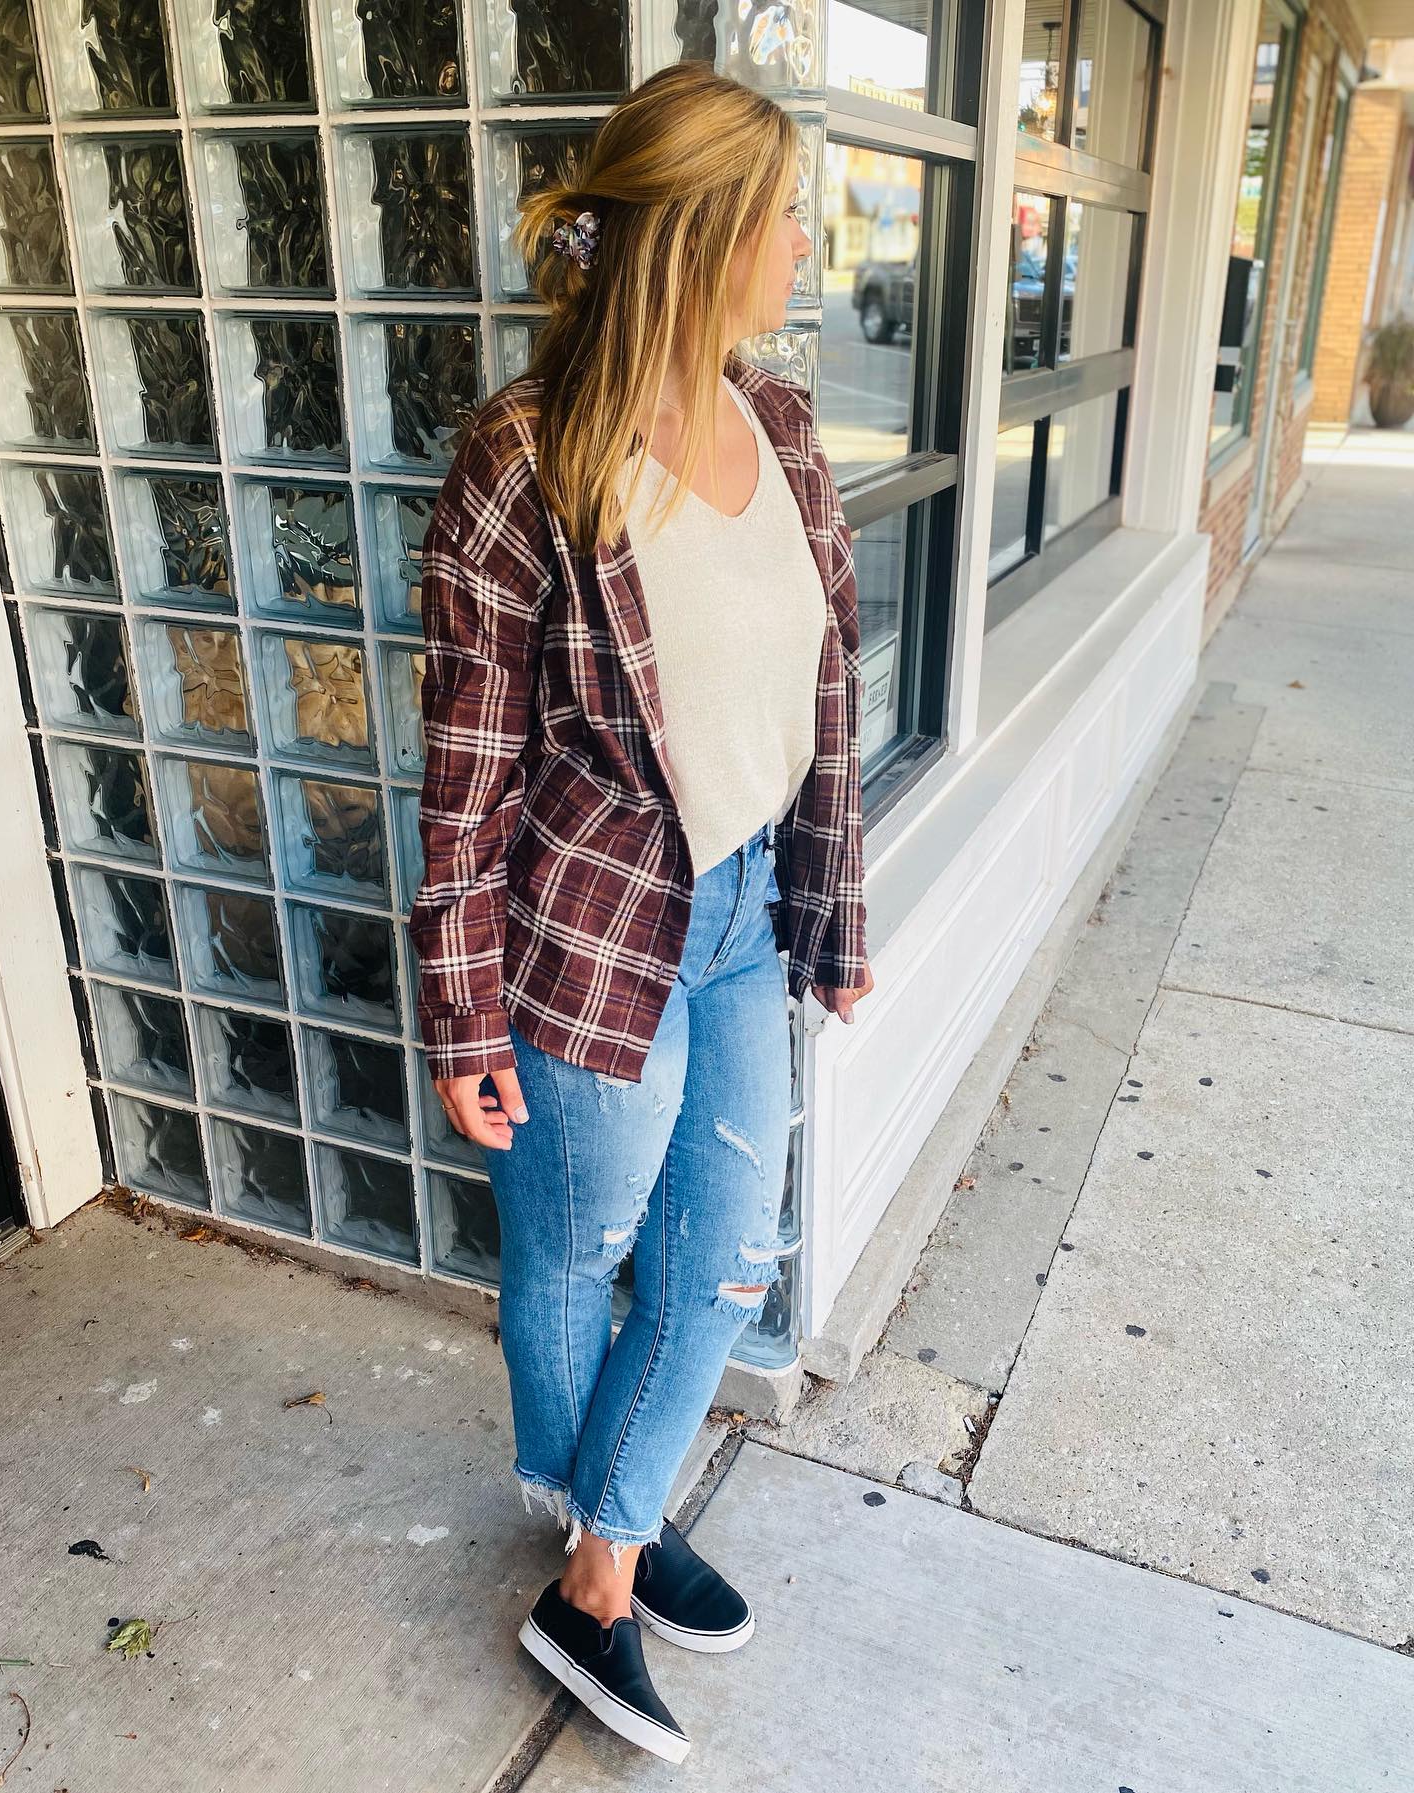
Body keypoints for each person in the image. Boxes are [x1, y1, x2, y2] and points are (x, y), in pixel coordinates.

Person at [410, 59, 873, 1765]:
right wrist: (462, 1013)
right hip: (590, 934)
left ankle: (600, 1550)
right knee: (579, 1247)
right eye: (786, 215)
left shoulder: (785, 426)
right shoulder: (525, 455)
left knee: (726, 1257)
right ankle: (601, 1534)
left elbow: (826, 690)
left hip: (743, 910)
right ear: (702, 235)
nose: (806, 243)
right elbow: (466, 769)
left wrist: (833, 913)